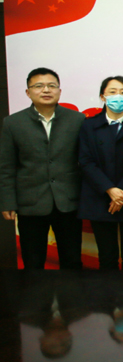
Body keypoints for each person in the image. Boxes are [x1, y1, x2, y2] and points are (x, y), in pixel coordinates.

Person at [0, 68, 85, 269]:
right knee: (33, 262)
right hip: (30, 201)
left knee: (72, 260)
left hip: (68, 201)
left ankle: (71, 292)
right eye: (39, 86)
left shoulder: (77, 120)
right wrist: (8, 201)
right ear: (28, 92)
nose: (46, 90)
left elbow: (85, 161)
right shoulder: (13, 123)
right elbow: (6, 166)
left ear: (59, 91)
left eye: (51, 86)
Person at [77, 76, 123, 270]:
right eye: (113, 92)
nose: (118, 96)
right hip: (100, 196)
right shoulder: (88, 125)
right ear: (102, 96)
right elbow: (85, 161)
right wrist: (109, 189)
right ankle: (108, 291)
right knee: (106, 256)